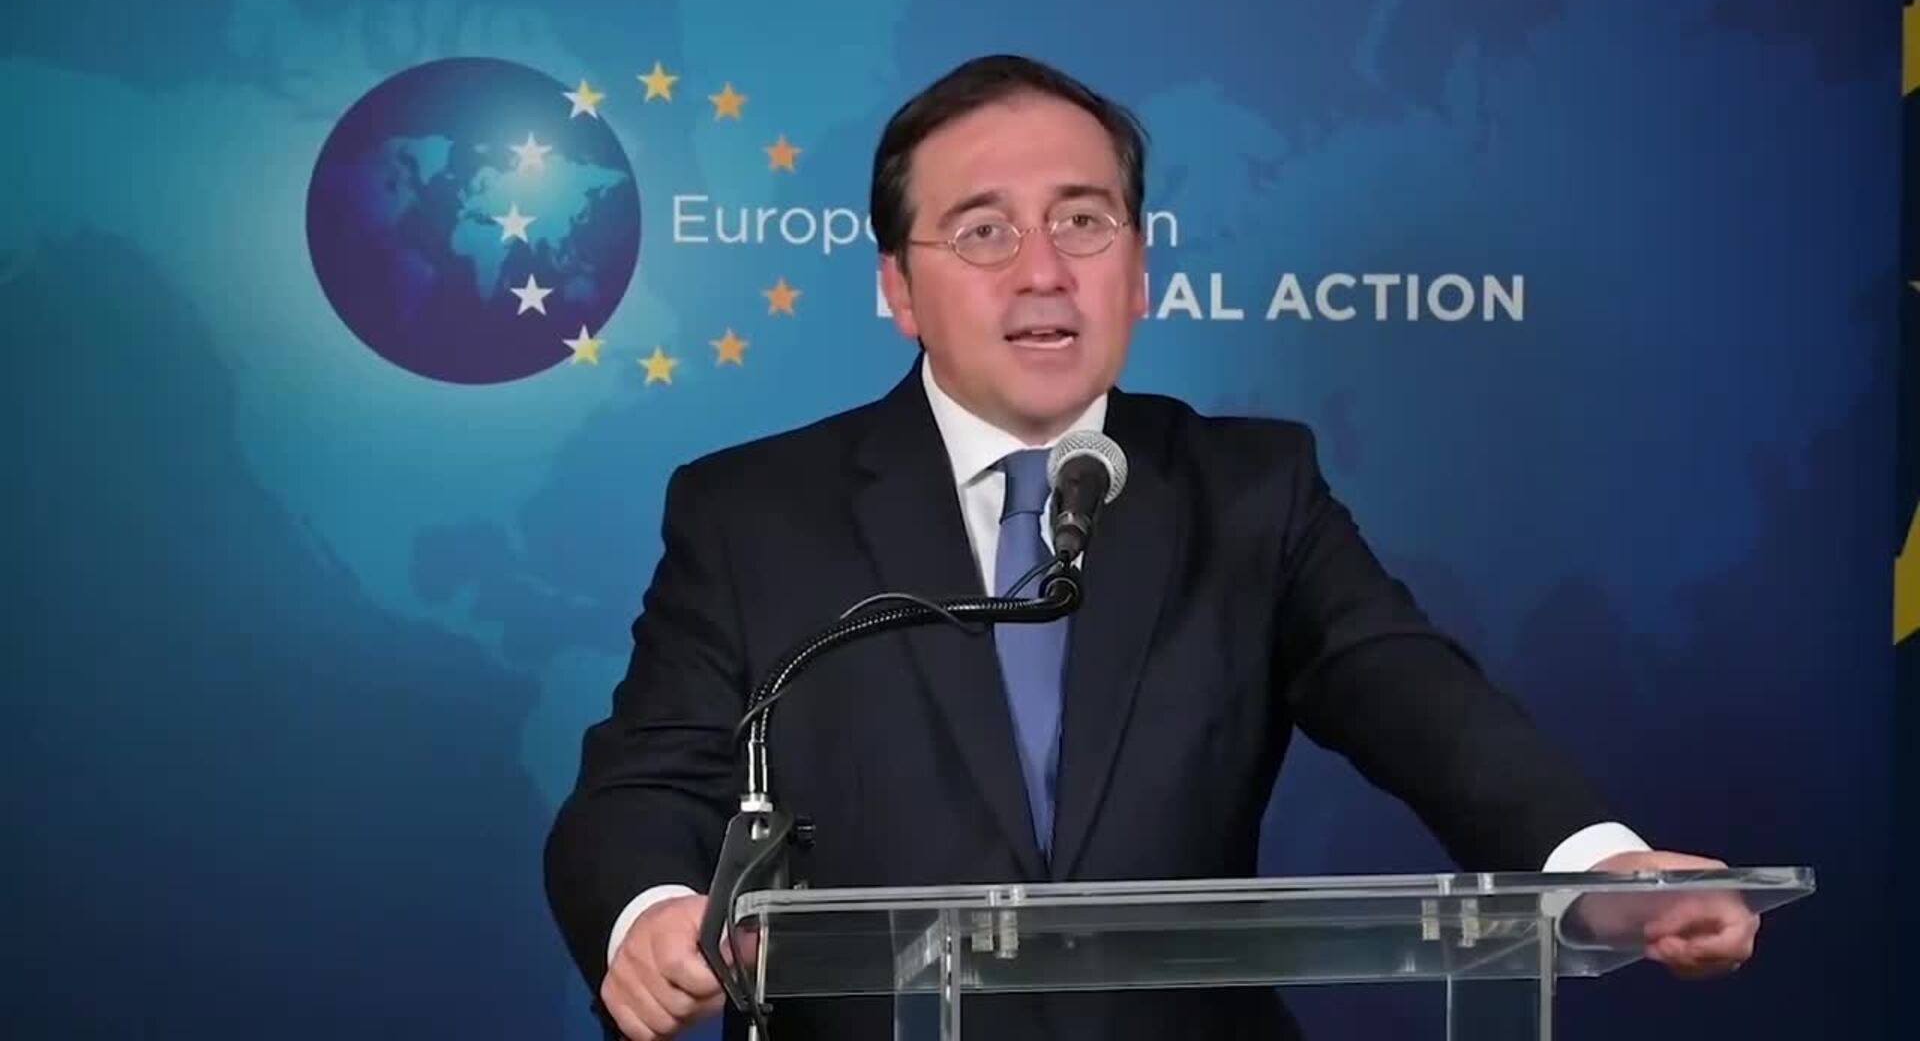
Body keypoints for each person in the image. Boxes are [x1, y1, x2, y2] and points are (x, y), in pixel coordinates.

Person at [544, 53, 1759, 1041]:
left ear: (1137, 272)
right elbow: (644, 786)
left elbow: (1413, 695)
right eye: (982, 231)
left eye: (1084, 221)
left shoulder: (1249, 490)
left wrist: (1600, 864)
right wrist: (650, 914)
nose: (1043, 271)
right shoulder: (754, 512)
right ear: (899, 289)